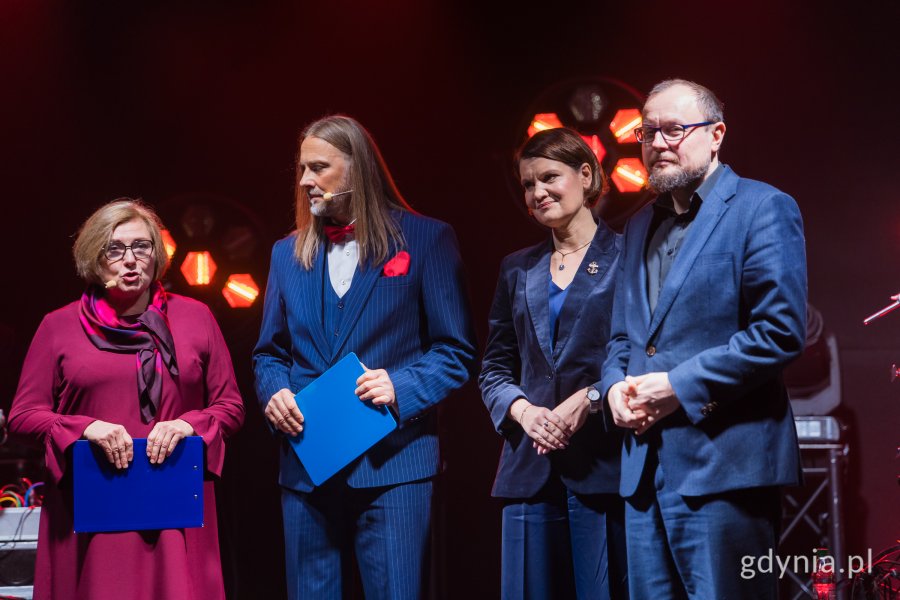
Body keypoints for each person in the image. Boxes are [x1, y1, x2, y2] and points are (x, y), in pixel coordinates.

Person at [252, 115, 477, 599]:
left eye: (319, 168)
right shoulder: (286, 254)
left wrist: (403, 385)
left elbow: (456, 350)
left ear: (358, 170)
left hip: (393, 466)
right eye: (302, 169)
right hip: (307, 462)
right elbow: (268, 353)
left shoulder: (425, 239)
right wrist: (275, 393)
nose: (306, 180)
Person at [599, 79, 807, 598]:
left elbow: (779, 333)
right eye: (647, 131)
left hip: (727, 470)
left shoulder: (763, 207)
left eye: (674, 129)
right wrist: (612, 392)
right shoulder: (637, 225)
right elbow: (622, 339)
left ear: (716, 135)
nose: (658, 142)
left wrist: (675, 385)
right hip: (643, 474)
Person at [10, 199, 245, 600]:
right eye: (114, 249)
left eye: (142, 246)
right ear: (93, 259)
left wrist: (188, 424)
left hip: (174, 507)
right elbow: (23, 415)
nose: (130, 260)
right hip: (93, 509)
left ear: (157, 254)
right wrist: (85, 428)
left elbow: (230, 406)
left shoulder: (197, 317)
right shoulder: (58, 326)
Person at [480, 127, 627, 599]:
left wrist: (589, 399)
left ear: (586, 175)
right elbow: (495, 367)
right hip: (529, 466)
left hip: (603, 465)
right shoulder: (516, 268)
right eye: (528, 184)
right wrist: (523, 412)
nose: (537, 192)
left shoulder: (628, 258)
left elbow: (642, 356)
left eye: (549, 177)